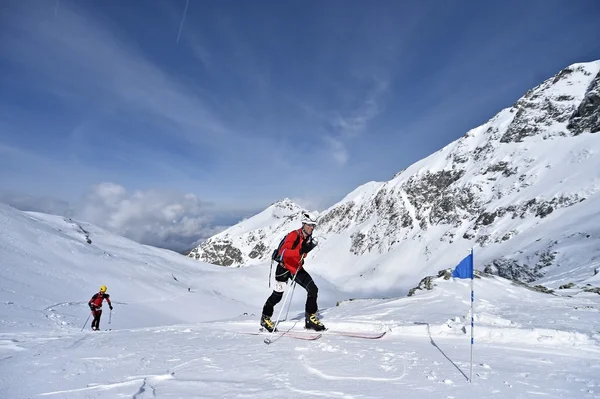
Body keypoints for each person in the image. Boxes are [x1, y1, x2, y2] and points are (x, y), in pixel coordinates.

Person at [260, 212, 325, 332]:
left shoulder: (308, 237)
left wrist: (305, 250)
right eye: (310, 225)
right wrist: (301, 251)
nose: (312, 227)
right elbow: (284, 253)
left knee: (313, 290)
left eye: (313, 225)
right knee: (277, 296)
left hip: (297, 268)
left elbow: (302, 255)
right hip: (284, 268)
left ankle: (310, 318)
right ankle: (265, 318)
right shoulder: (293, 235)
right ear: (304, 224)